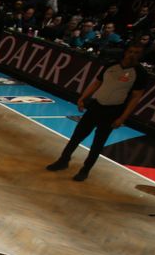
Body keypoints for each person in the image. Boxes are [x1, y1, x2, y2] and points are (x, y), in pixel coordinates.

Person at [46, 42, 148, 181]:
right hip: (96, 105)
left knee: (98, 143)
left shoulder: (140, 73)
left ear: (140, 55)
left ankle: (85, 170)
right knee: (77, 136)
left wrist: (122, 118)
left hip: (114, 111)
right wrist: (83, 97)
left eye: (136, 53)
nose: (132, 55)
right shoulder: (112, 65)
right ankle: (63, 161)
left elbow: (136, 97)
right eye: (131, 51)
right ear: (126, 52)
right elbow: (97, 82)